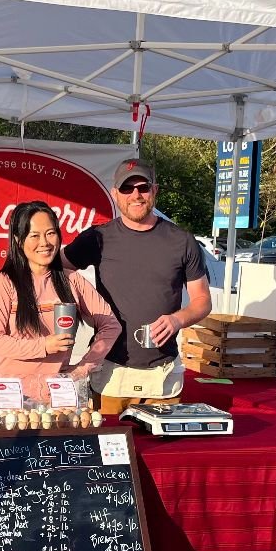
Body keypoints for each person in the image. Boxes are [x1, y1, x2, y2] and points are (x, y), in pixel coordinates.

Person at [64, 158, 212, 413]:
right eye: (127, 188)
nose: (136, 195)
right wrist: (84, 306)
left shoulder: (182, 241)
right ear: (115, 194)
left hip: (162, 375)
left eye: (143, 187)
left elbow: (203, 301)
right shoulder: (98, 238)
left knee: (163, 452)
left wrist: (177, 320)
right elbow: (58, 269)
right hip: (110, 372)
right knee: (112, 449)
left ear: (155, 191)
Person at [0, 201, 119, 403]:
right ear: (18, 240)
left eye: (50, 233)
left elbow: (111, 325)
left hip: (57, 396)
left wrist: (82, 368)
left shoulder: (72, 280)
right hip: (10, 395)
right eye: (34, 236)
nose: (44, 243)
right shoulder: (4, 283)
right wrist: (44, 346)